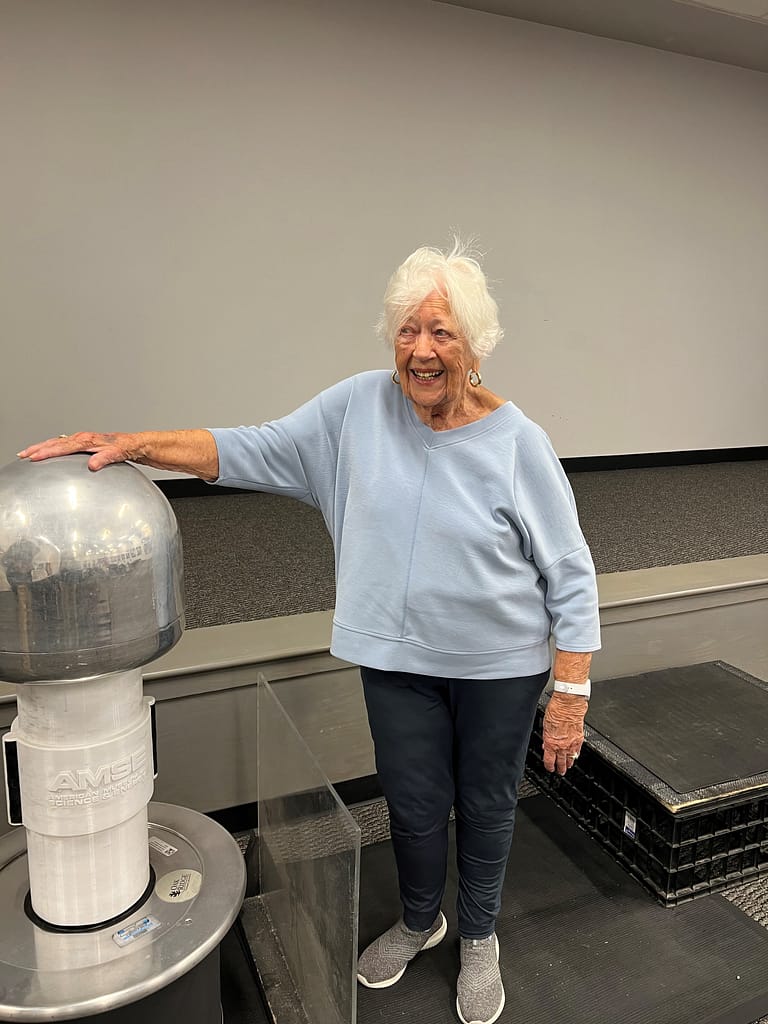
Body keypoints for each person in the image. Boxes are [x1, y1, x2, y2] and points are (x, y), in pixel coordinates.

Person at [19, 240, 600, 1024]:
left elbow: (570, 570)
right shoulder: (357, 408)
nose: (421, 350)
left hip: (500, 664)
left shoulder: (517, 441)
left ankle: (481, 937)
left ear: (476, 346)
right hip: (395, 661)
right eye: (407, 331)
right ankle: (423, 921)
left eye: (442, 333)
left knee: (488, 802)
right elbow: (247, 446)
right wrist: (135, 444)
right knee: (415, 801)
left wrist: (570, 692)